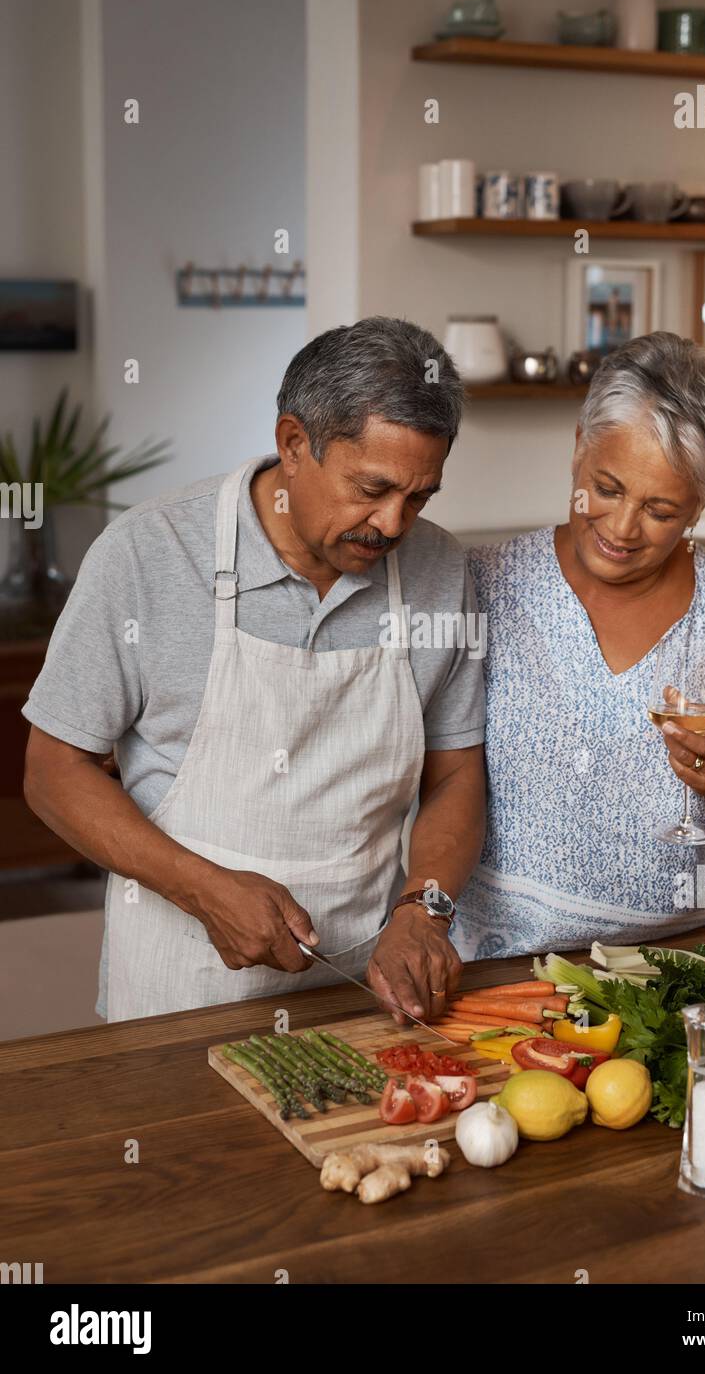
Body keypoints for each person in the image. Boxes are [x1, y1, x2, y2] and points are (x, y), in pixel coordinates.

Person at [23, 317, 486, 1022]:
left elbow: (454, 773)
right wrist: (204, 890)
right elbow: (52, 770)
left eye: (418, 497)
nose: (393, 525)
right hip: (182, 986)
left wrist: (423, 911)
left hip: (362, 985)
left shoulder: (440, 572)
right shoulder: (149, 554)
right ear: (294, 445)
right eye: (371, 488)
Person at [456, 331, 705, 959]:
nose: (623, 529)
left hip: (687, 969)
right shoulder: (483, 586)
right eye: (606, 488)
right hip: (501, 976)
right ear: (579, 446)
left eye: (660, 510)